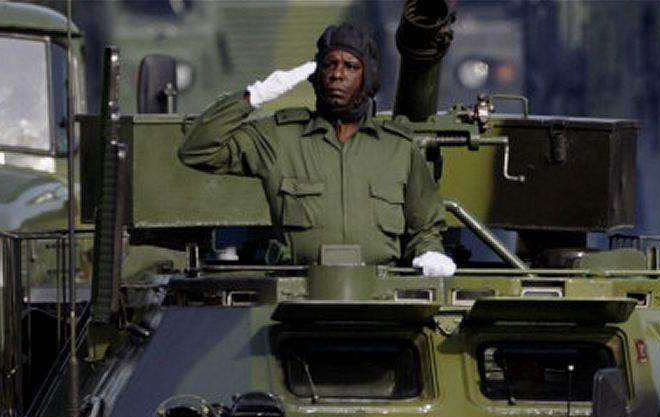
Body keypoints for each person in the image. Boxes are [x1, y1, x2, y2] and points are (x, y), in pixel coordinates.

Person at [178, 23, 456, 277]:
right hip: (299, 291)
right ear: (317, 74)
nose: (337, 74)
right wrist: (254, 96)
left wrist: (429, 252)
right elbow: (197, 150)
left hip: (380, 292)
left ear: (368, 78)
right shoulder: (280, 138)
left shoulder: (397, 148)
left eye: (350, 66)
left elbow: (425, 227)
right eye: (329, 64)